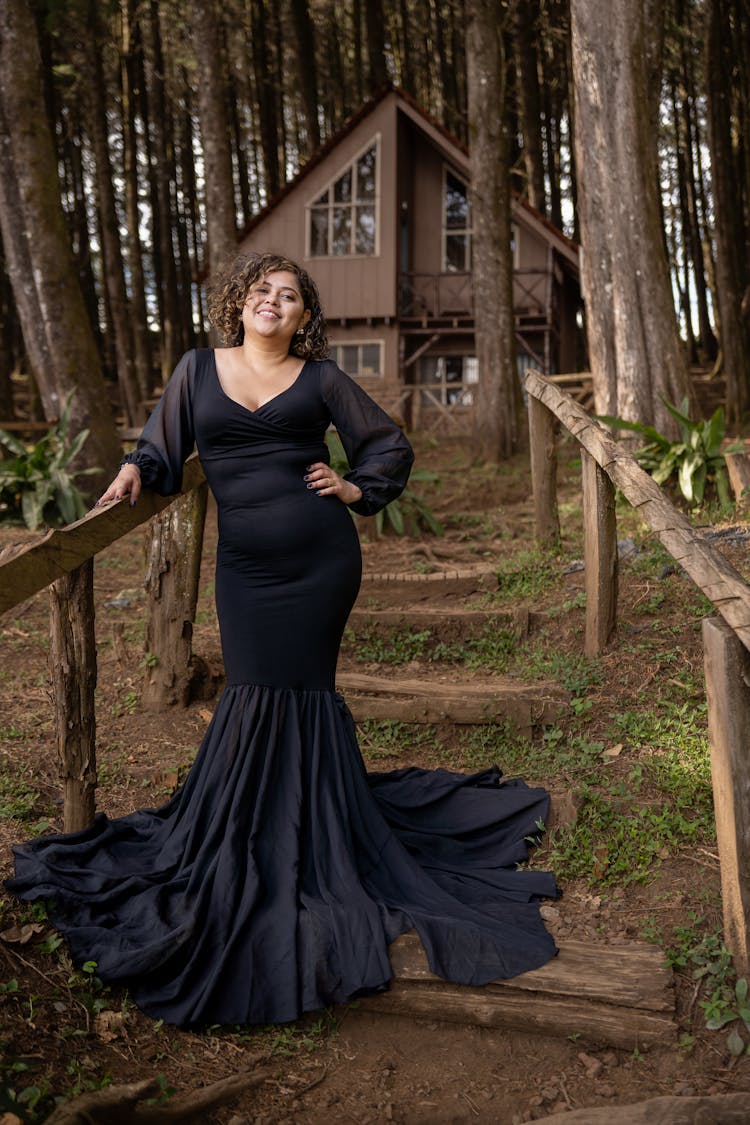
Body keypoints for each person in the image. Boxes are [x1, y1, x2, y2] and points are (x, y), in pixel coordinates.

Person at [7, 252, 558, 1027]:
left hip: (321, 563)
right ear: (239, 303)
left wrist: (356, 486)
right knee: (252, 691)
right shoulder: (198, 369)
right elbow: (162, 449)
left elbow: (389, 443)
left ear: (305, 316)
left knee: (299, 694)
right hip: (246, 572)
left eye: (289, 296)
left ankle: (304, 837)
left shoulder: (322, 378)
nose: (273, 302)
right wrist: (134, 469)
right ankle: (252, 835)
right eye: (262, 291)